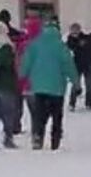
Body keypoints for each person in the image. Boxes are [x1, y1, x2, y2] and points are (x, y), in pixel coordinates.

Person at [20, 21, 79, 151]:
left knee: (40, 114)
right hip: (57, 88)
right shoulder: (61, 47)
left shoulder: (34, 45)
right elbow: (69, 66)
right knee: (57, 116)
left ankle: (38, 137)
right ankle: (55, 141)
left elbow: (26, 63)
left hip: (39, 87)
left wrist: (21, 76)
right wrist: (76, 83)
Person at [67, 23, 91, 111]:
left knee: (89, 84)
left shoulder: (85, 38)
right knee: (75, 84)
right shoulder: (70, 40)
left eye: (76, 30)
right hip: (77, 64)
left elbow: (90, 46)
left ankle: (89, 103)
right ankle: (72, 103)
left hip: (88, 64)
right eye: (73, 30)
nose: (74, 32)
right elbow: (70, 47)